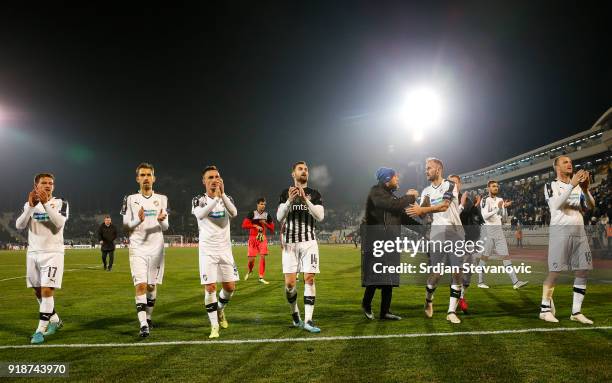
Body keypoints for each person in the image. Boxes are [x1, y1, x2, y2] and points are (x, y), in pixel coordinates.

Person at [407, 158, 464, 324]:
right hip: (438, 233)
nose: (426, 171)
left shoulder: (449, 185)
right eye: (426, 168)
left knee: (457, 272)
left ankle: (451, 311)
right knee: (437, 274)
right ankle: (428, 300)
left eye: (429, 168)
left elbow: (444, 206)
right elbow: (423, 214)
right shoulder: (426, 191)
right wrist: (412, 202)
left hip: (456, 233)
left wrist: (422, 208)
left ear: (438, 169)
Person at [15, 173, 69, 344]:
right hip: (33, 253)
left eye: (51, 183)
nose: (48, 185)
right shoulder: (28, 205)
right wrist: (31, 207)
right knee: (38, 291)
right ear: (36, 185)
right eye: (44, 183)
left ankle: (40, 330)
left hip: (53, 253)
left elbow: (59, 222)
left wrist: (45, 203)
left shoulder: (61, 203)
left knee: (47, 291)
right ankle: (55, 320)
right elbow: (19, 225)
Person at [540, 156, 594, 324]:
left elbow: (591, 206)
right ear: (557, 167)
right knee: (555, 272)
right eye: (565, 162)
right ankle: (544, 309)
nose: (570, 164)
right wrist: (573, 185)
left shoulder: (578, 186)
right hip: (560, 232)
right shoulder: (551, 185)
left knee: (582, 271)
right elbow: (556, 204)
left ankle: (576, 312)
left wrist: (585, 190)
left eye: (571, 161)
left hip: (579, 232)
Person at [361, 167, 418, 320]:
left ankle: (385, 311)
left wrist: (424, 230)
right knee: (376, 275)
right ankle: (366, 304)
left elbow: (404, 218)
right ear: (387, 179)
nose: (397, 179)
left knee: (389, 278)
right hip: (376, 241)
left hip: (390, 242)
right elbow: (393, 206)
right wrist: (410, 197)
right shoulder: (376, 191)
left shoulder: (392, 197)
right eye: (395, 176)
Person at [121, 163, 169, 337]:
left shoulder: (162, 199)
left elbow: (166, 226)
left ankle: (148, 318)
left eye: (149, 175)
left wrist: (161, 219)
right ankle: (143, 325)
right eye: (143, 175)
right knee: (140, 285)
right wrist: (138, 221)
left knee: (151, 285)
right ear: (137, 179)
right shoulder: (130, 199)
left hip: (156, 248)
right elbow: (126, 224)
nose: (146, 178)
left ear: (154, 178)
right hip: (138, 248)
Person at [277, 161, 324, 333]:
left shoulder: (315, 194)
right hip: (290, 244)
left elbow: (319, 216)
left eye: (306, 169)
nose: (304, 171)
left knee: (309, 278)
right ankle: (295, 313)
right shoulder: (285, 193)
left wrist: (305, 199)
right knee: (290, 285)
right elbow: (279, 216)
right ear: (293, 174)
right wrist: (290, 200)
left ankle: (309, 320)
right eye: (300, 169)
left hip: (309, 242)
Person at [192, 165, 238, 339]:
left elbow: (233, 212)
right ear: (204, 181)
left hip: (225, 250)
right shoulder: (198, 199)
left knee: (230, 287)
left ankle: (220, 310)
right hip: (207, 251)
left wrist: (222, 195)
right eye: (210, 177)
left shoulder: (227, 198)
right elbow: (201, 214)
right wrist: (215, 199)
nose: (214, 180)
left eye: (217, 177)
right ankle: (214, 326)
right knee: (210, 287)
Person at [477, 180, 528, 289]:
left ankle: (515, 282)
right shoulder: (485, 199)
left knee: (506, 256)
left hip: (499, 232)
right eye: (493, 186)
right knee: (484, 258)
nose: (496, 188)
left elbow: (504, 218)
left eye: (497, 186)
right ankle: (480, 282)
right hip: (489, 232)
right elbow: (485, 216)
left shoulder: (500, 200)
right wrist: (498, 208)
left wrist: (504, 208)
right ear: (488, 188)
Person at [448, 174, 482, 314]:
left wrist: (476, 207)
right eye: (451, 183)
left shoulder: (466, 199)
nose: (454, 185)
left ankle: (461, 297)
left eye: (456, 183)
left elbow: (477, 218)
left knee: (468, 272)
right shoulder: (447, 200)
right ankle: (452, 306)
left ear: (460, 184)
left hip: (470, 240)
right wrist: (462, 204)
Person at [241, 197, 274, 284]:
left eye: (264, 204)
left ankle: (261, 277)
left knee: (262, 256)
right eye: (261, 204)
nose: (263, 206)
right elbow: (244, 225)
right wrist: (255, 226)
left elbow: (272, 229)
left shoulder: (267, 215)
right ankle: (250, 270)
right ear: (257, 204)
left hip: (262, 238)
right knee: (251, 260)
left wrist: (264, 223)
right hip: (252, 238)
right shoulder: (252, 213)